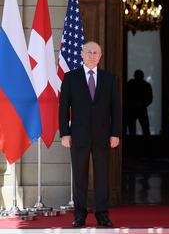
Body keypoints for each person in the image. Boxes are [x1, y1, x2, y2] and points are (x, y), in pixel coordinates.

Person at [59, 41, 121, 227]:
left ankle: (102, 214)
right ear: (81, 54)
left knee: (102, 176)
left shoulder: (109, 79)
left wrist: (115, 133)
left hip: (103, 136)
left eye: (95, 53)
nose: (92, 55)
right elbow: (63, 108)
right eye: (89, 52)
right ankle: (80, 215)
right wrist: (65, 133)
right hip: (78, 135)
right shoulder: (71, 78)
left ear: (100, 56)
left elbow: (115, 109)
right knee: (79, 176)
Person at [126, 69, 153, 136]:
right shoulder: (146, 85)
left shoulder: (130, 84)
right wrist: (142, 104)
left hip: (134, 109)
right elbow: (150, 98)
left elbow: (149, 98)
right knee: (144, 129)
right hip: (138, 109)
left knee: (135, 130)